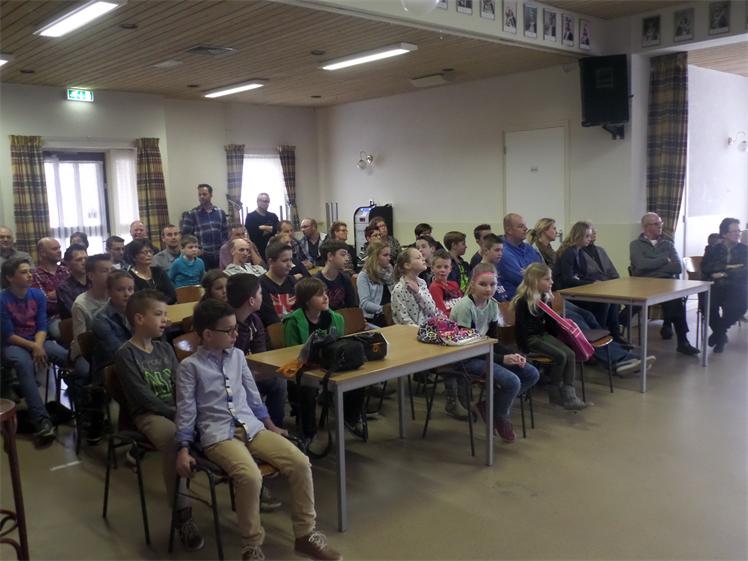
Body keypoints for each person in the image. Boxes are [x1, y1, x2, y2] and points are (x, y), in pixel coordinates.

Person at [175, 299, 342, 561]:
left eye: (236, 328)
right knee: (250, 476)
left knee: (300, 462)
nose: (236, 334)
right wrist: (183, 448)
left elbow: (253, 397)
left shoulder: (238, 356)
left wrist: (271, 425)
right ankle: (251, 545)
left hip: (251, 426)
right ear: (207, 334)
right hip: (218, 435)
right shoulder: (189, 367)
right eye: (229, 330)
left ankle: (305, 535)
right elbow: (186, 410)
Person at [115, 290, 205, 552]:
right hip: (149, 415)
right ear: (139, 318)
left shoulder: (165, 348)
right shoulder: (126, 353)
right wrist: (176, 413)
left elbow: (180, 383)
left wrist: (187, 409)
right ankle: (182, 515)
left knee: (214, 422)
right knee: (175, 439)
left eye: (166, 314)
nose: (165, 319)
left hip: (176, 409)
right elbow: (141, 396)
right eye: (158, 314)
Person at [450, 264, 540, 442]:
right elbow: (468, 348)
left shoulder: (492, 305)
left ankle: (489, 406)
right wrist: (501, 359)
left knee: (531, 373)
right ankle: (500, 416)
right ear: (472, 284)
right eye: (483, 284)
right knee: (512, 381)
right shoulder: (465, 307)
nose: (488, 289)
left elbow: (493, 340)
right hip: (465, 358)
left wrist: (512, 354)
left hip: (484, 352)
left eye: (492, 284)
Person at [283, 277, 366, 444]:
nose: (326, 297)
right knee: (306, 388)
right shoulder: (292, 321)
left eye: (325, 293)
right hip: (304, 368)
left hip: (329, 366)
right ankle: (309, 433)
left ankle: (349, 418)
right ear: (306, 300)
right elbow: (292, 353)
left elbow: (339, 345)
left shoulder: (336, 318)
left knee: (359, 379)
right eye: (319, 295)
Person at [1, 257, 68, 447]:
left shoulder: (37, 295)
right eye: (23, 272)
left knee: (66, 357)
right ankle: (42, 421)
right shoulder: (2, 299)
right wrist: (34, 347)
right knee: (24, 365)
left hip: (38, 339)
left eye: (30, 271)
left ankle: (85, 408)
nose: (30, 275)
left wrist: (38, 345)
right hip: (13, 344)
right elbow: (8, 335)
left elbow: (42, 325)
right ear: (10, 277)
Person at [512, 262, 586, 410]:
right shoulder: (523, 301)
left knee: (570, 354)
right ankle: (554, 390)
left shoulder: (544, 298)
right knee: (561, 356)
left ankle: (569, 393)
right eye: (547, 279)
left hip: (542, 335)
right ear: (535, 281)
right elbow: (521, 329)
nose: (551, 282)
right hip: (530, 339)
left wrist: (558, 341)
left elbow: (551, 324)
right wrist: (524, 349)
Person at [630, 213, 700, 355]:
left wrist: (652, 267)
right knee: (631, 306)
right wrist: (664, 260)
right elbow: (641, 265)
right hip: (643, 284)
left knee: (676, 301)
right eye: (656, 224)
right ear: (646, 227)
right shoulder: (635, 245)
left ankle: (683, 341)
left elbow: (677, 267)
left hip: (666, 283)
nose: (660, 226)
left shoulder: (668, 244)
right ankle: (616, 336)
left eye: (660, 223)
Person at [70, 254, 112, 443]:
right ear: (91, 276)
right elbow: (82, 340)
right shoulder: (81, 303)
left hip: (111, 348)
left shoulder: (117, 295)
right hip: (86, 352)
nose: (110, 274)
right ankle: (91, 415)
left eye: (111, 270)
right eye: (104, 271)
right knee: (89, 371)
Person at [555, 221, 621, 338]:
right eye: (587, 236)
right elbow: (567, 280)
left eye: (590, 236)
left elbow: (581, 276)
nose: (590, 239)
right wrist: (592, 283)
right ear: (578, 236)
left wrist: (592, 282)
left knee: (612, 299)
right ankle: (600, 333)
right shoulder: (569, 252)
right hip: (567, 293)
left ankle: (614, 333)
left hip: (577, 289)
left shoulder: (579, 251)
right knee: (603, 302)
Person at [701, 218, 747, 353]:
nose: (738, 234)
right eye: (734, 231)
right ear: (724, 234)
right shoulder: (712, 249)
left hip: (736, 286)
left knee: (739, 306)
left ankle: (719, 333)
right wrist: (730, 267)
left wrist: (723, 273)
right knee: (706, 305)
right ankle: (720, 336)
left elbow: (745, 270)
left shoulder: (745, 250)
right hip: (715, 285)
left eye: (739, 231)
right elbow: (706, 268)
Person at [91, 270, 133, 377]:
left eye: (130, 289)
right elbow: (118, 352)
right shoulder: (100, 319)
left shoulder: (137, 311)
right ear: (109, 292)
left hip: (136, 362)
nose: (127, 294)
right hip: (110, 369)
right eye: (120, 290)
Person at [180, 184, 228, 270]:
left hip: (219, 255)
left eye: (204, 194)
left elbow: (225, 233)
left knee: (220, 277)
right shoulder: (191, 214)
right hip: (201, 256)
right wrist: (195, 249)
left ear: (211, 195)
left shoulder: (220, 212)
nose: (201, 197)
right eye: (200, 194)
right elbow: (185, 236)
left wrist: (224, 248)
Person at [31, 237, 69, 340]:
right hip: (52, 317)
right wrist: (65, 294)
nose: (59, 251)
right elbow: (44, 303)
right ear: (43, 253)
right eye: (54, 249)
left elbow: (76, 294)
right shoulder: (35, 275)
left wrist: (56, 294)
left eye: (59, 248)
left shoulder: (66, 270)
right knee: (60, 332)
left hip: (72, 312)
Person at [499, 213, 542, 299]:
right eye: (521, 226)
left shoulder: (529, 248)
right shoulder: (502, 252)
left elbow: (543, 272)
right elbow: (521, 279)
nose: (526, 229)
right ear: (509, 230)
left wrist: (528, 273)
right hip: (515, 301)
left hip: (535, 297)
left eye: (525, 225)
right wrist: (534, 274)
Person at [392, 247, 439, 325]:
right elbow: (403, 320)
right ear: (407, 265)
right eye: (418, 258)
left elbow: (432, 310)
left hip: (428, 328)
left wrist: (418, 292)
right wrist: (420, 330)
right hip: (411, 331)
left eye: (422, 256)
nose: (423, 259)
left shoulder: (422, 283)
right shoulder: (399, 290)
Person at [257, 240, 297, 326]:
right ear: (271, 262)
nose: (290, 264)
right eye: (285, 261)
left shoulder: (292, 281)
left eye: (291, 260)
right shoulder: (261, 284)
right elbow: (269, 318)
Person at [357, 241, 394, 327]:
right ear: (375, 257)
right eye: (385, 255)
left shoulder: (390, 272)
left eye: (389, 255)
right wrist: (384, 309)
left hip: (392, 314)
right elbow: (365, 303)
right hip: (374, 317)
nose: (389, 258)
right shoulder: (364, 276)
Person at [128, 239, 177, 304]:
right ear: (133, 256)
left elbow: (172, 295)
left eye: (150, 251)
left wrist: (159, 304)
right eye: (144, 252)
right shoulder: (129, 276)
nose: (149, 254)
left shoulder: (158, 271)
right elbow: (136, 300)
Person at [315, 240, 357, 310]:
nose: (347, 259)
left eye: (347, 255)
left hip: (344, 315)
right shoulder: (316, 282)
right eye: (343, 255)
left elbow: (352, 307)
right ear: (330, 256)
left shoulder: (345, 279)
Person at [56, 244, 89, 320]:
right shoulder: (64, 288)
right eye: (79, 260)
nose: (84, 262)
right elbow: (76, 313)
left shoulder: (95, 281)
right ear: (68, 264)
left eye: (86, 258)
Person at [245, 192, 279, 261]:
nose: (266, 204)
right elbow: (254, 234)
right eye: (264, 201)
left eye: (268, 202)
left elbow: (278, 229)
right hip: (258, 251)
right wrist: (271, 230)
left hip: (273, 250)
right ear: (258, 202)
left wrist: (263, 227)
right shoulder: (250, 217)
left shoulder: (273, 216)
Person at [428, 249, 463, 316]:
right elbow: (442, 312)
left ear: (450, 269)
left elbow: (463, 304)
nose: (442, 270)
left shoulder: (454, 284)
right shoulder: (434, 287)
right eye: (439, 267)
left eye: (446, 267)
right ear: (432, 269)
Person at [479, 234, 509, 302]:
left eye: (501, 250)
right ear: (486, 251)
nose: (500, 253)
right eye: (497, 250)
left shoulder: (495, 269)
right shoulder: (479, 272)